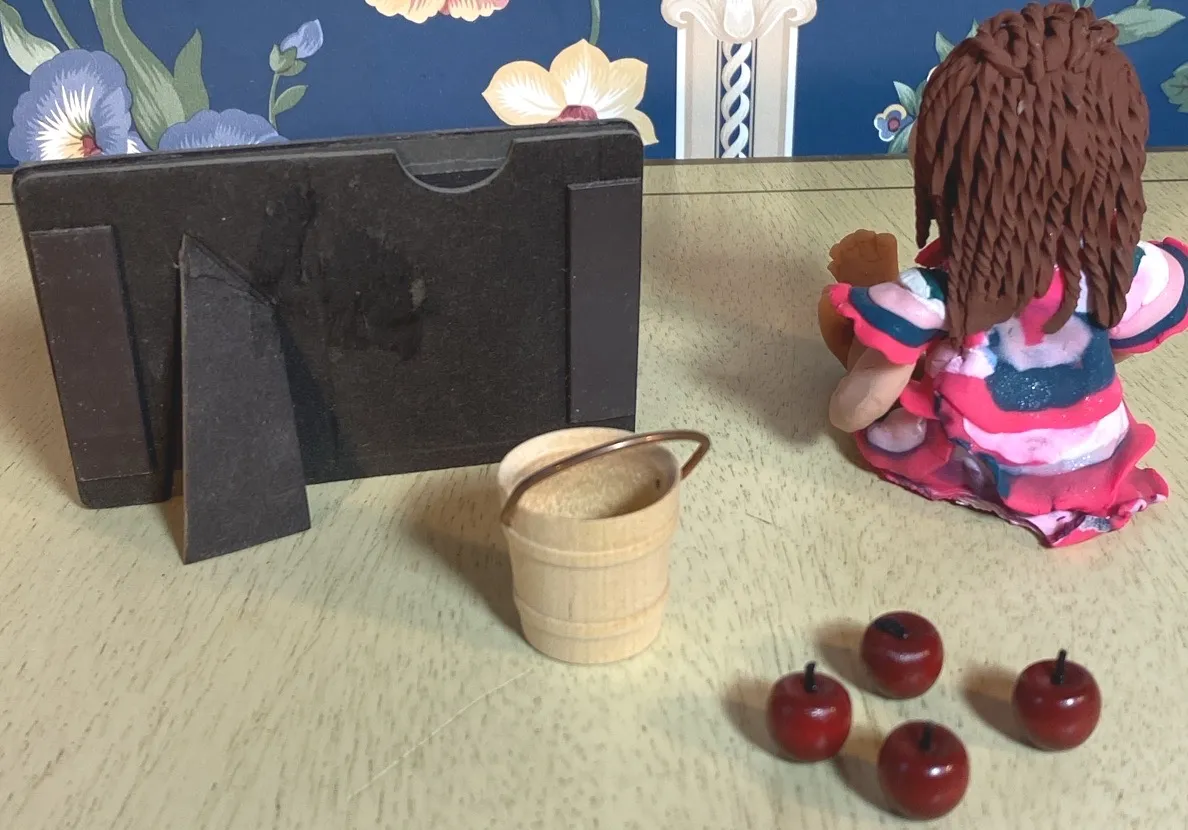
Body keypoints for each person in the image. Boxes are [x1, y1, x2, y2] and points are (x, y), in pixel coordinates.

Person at [824, 2, 1188, 546]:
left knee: (874, 348)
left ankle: (868, 303)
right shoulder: (1119, 267)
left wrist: (868, 343)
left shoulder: (946, 290)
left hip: (979, 457)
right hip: (1096, 455)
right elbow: (1125, 340)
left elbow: (854, 410)